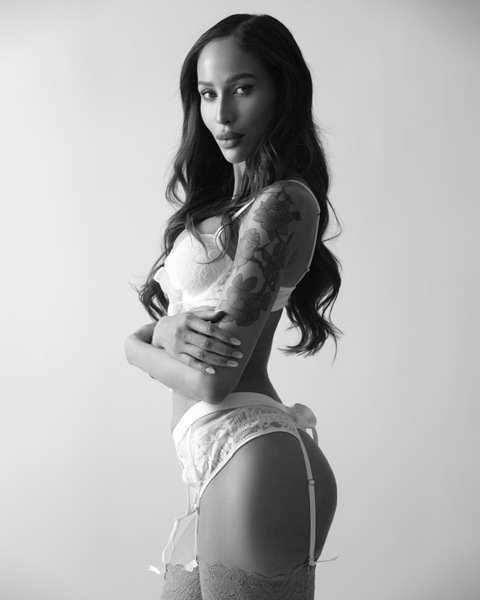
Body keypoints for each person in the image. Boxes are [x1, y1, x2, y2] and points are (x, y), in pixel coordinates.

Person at [125, 13, 341, 600]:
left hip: (250, 450)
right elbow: (188, 330)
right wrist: (162, 331)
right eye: (207, 93)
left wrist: (135, 348)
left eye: (242, 89)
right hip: (213, 459)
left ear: (282, 91)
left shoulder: (282, 203)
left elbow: (213, 381)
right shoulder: (226, 204)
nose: (221, 114)